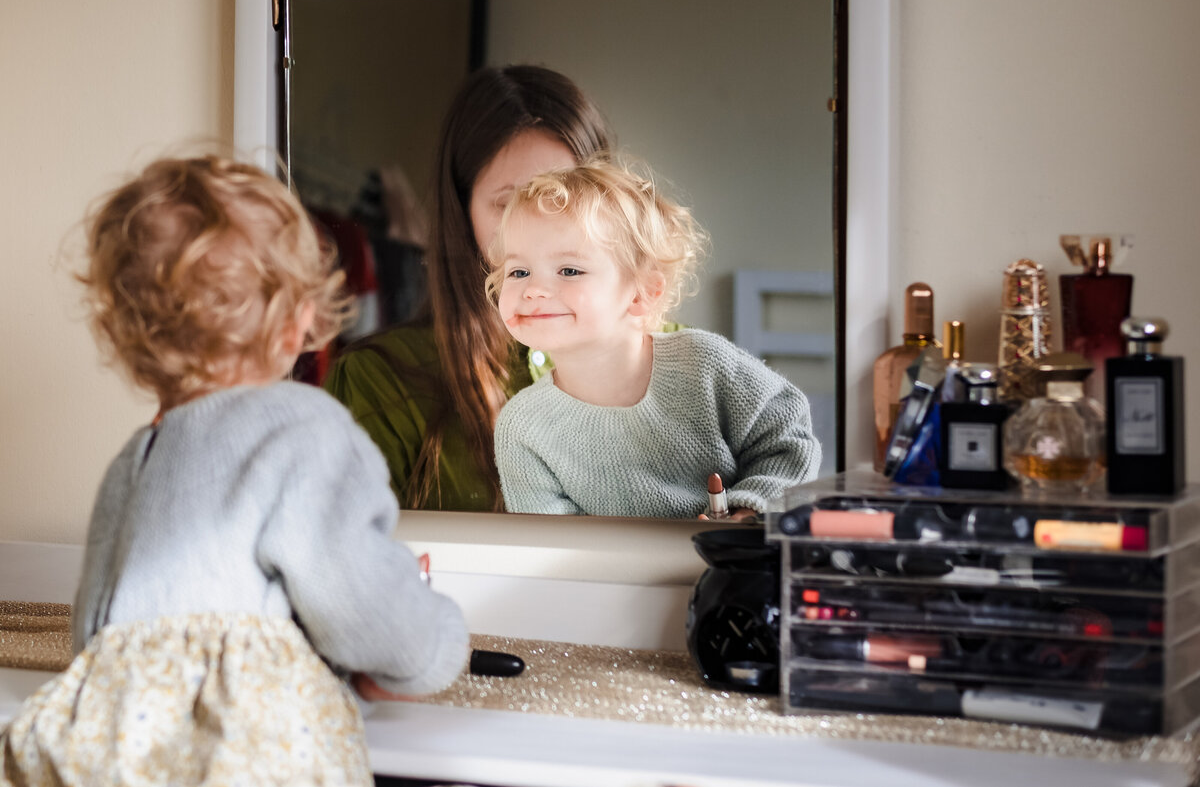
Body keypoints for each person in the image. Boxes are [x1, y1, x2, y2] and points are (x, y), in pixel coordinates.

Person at [0, 156, 469, 786]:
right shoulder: (302, 429)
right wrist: (431, 649)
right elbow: (365, 608)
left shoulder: (136, 458)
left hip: (106, 751)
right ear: (296, 319)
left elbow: (97, 637)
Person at [323, 64, 613, 512]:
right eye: (508, 203)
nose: (538, 228)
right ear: (463, 213)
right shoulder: (376, 381)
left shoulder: (678, 357)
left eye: (563, 198)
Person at [486, 158, 821, 518]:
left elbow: (789, 441)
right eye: (518, 271)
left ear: (641, 293)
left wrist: (749, 510)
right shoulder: (521, 428)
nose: (533, 289)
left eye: (569, 270)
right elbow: (558, 554)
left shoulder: (703, 364)